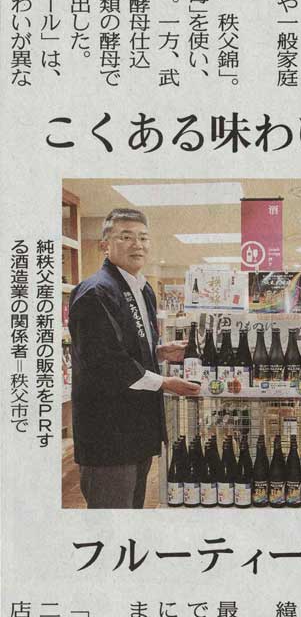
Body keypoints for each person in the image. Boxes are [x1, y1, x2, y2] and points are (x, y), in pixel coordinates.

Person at [68, 207, 200, 508]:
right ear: (105, 244)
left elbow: (123, 345)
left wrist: (159, 351)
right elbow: (104, 361)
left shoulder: (143, 289)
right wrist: (165, 382)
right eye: (126, 237)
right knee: (112, 517)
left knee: (132, 514)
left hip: (139, 429)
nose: (137, 244)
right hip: (109, 435)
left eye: (143, 237)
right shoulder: (95, 292)